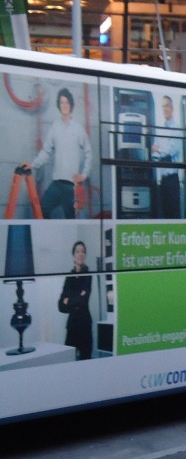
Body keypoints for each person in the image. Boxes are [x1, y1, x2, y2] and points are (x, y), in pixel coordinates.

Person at [24, 87, 91, 219]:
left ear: (70, 105)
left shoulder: (78, 128)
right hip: (57, 184)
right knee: (42, 209)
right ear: (58, 105)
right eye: (61, 102)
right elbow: (46, 151)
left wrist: (84, 174)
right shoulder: (55, 127)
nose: (64, 105)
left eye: (66, 102)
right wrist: (32, 165)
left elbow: (89, 153)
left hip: (71, 187)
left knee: (71, 220)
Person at [59, 240, 93, 361]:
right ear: (73, 255)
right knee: (68, 360)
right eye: (78, 251)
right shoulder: (69, 277)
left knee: (85, 360)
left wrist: (68, 300)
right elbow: (60, 306)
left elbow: (83, 301)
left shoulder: (88, 274)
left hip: (84, 324)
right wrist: (77, 297)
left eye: (83, 251)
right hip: (72, 326)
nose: (81, 254)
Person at [151, 93, 183, 218]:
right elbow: (153, 153)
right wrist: (159, 151)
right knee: (164, 215)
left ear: (172, 108)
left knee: (173, 215)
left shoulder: (176, 128)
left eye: (167, 106)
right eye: (163, 106)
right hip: (163, 180)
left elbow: (171, 150)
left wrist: (159, 150)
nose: (165, 109)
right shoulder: (160, 129)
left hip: (172, 180)